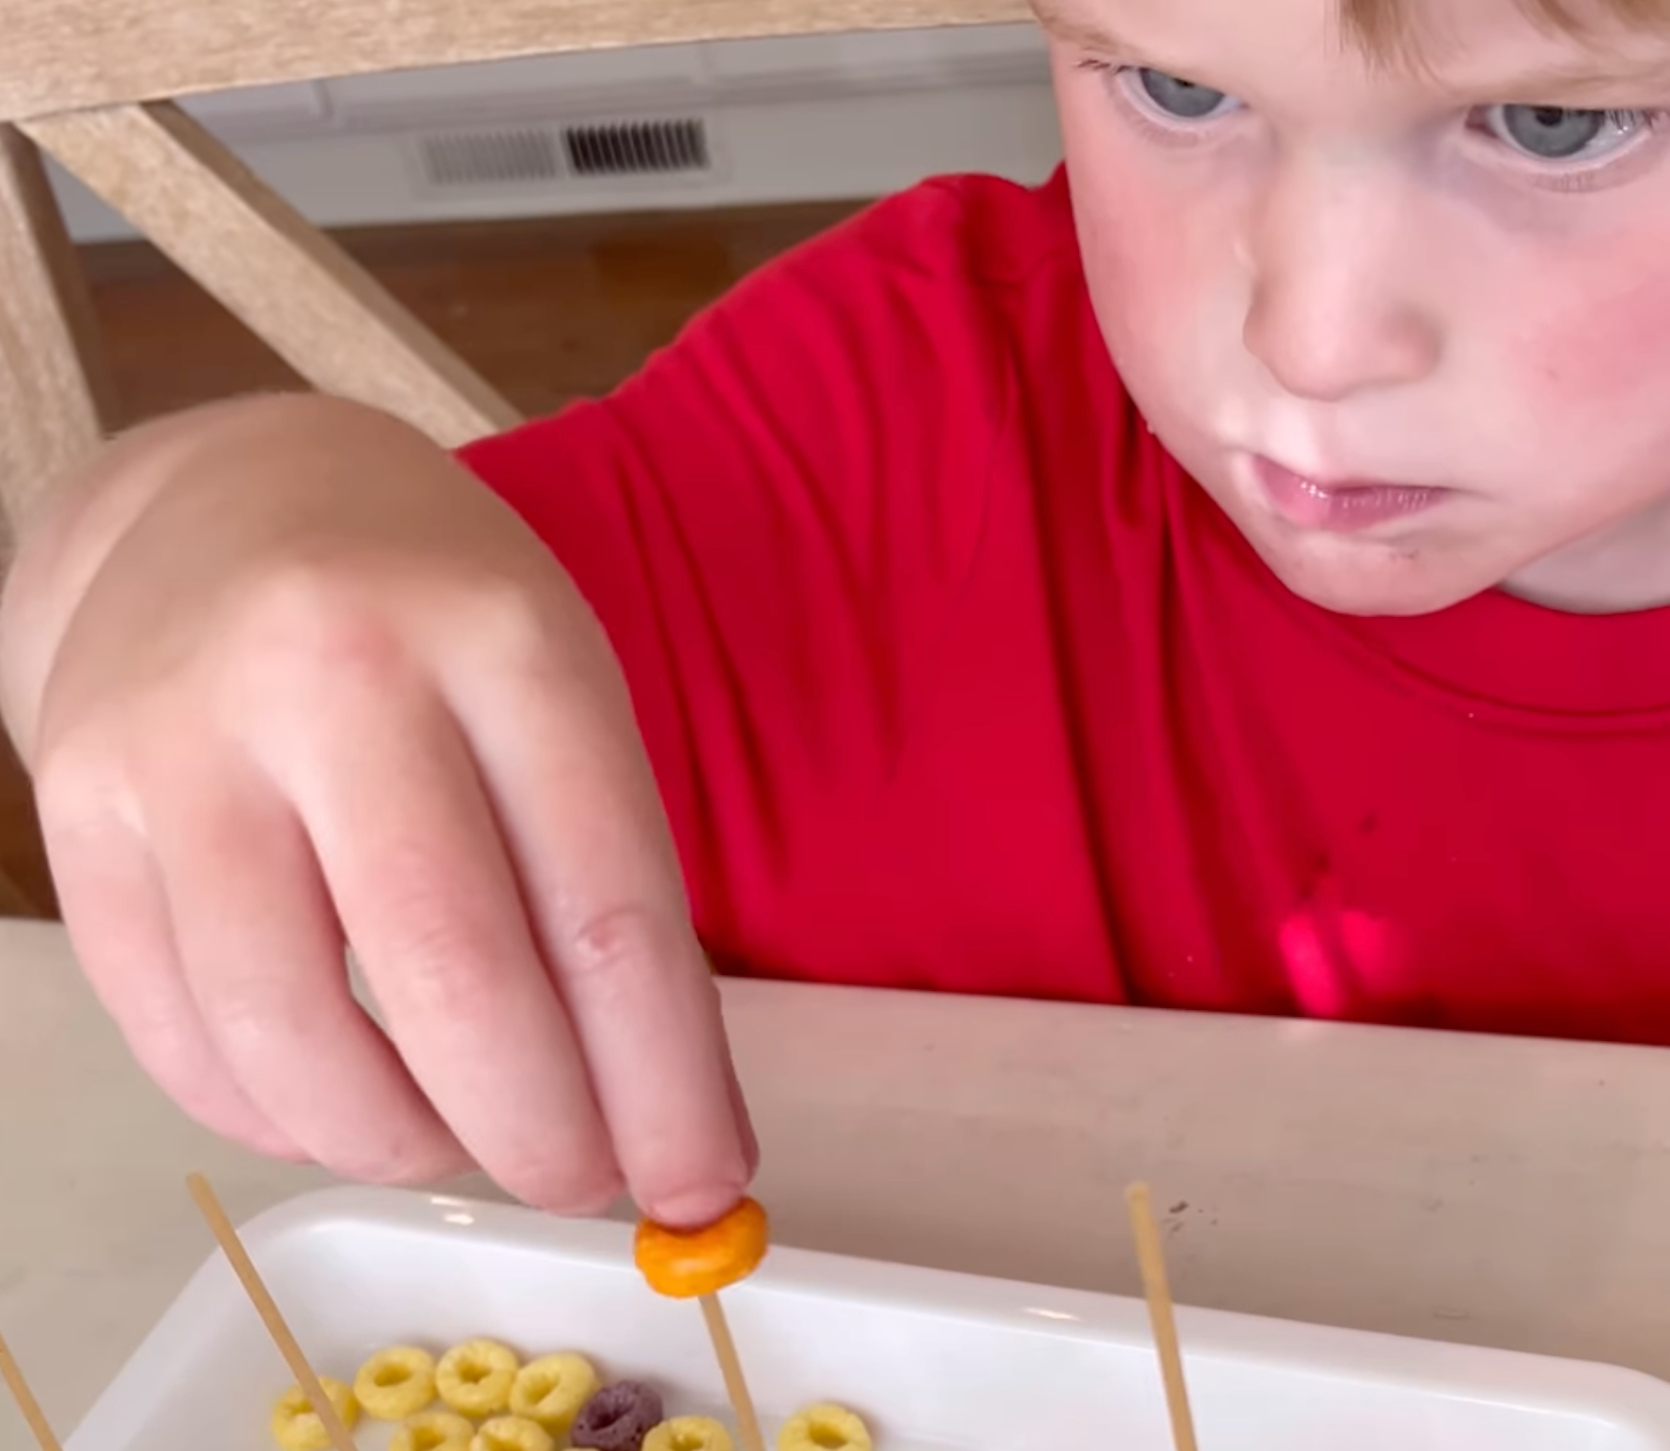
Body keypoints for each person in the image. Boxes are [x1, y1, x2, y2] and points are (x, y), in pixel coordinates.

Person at [5, 0, 1670, 1228]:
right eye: (1175, 86)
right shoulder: (903, 421)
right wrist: (182, 534)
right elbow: (261, 621)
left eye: (1555, 126)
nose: (1309, 342)